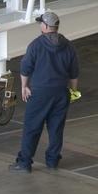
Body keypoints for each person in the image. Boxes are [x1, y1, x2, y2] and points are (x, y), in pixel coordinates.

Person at [10, 11, 79, 173]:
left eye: (41, 23)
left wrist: (24, 86)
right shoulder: (68, 45)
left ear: (46, 26)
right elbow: (74, 73)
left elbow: (25, 69)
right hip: (61, 92)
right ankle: (53, 160)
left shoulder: (36, 45)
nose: (40, 25)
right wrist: (73, 92)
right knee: (56, 128)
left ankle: (24, 162)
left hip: (40, 93)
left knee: (32, 128)